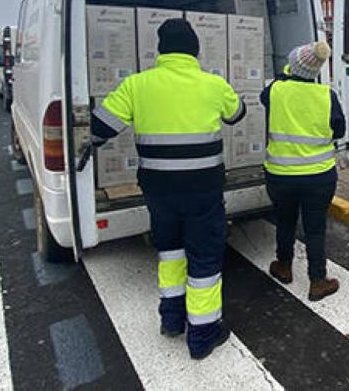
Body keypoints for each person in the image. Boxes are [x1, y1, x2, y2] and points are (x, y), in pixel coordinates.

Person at [91, 18, 245, 359]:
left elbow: (100, 127)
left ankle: (172, 320)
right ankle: (203, 334)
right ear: (195, 50)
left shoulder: (136, 85)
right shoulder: (212, 84)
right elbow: (237, 114)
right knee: (204, 257)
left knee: (170, 252)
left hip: (159, 191)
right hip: (203, 190)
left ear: (161, 50)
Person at [262, 41, 346, 302]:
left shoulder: (274, 90)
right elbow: (339, 130)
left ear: (292, 65)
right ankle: (318, 280)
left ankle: (284, 266)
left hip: (280, 175)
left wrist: (285, 75)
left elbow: (262, 98)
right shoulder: (326, 95)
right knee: (315, 228)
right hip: (319, 176)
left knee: (285, 221)